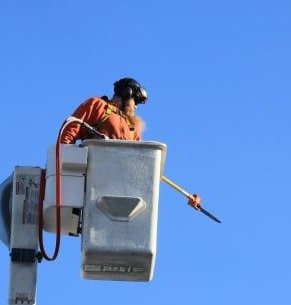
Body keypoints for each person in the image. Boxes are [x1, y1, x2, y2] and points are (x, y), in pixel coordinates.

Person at [60, 77, 202, 210]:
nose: (136, 107)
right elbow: (69, 133)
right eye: (136, 101)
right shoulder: (97, 105)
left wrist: (188, 195)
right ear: (126, 94)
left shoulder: (131, 128)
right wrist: (63, 171)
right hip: (95, 177)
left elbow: (145, 161)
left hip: (120, 186)